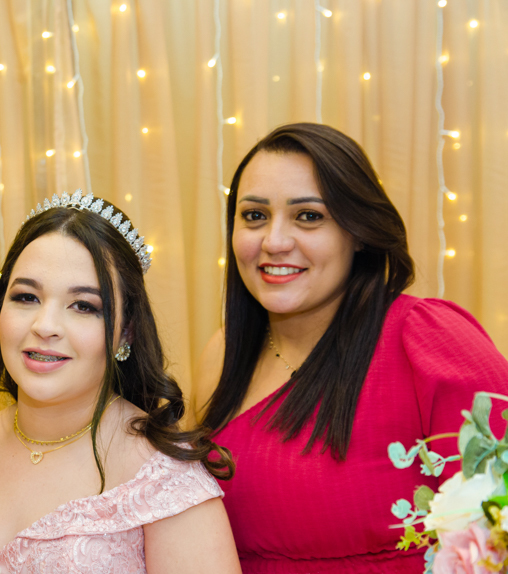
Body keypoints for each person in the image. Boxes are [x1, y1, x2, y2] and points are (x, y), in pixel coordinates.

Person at [194, 123, 508, 573]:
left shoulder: (428, 339)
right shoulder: (224, 353)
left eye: (308, 216)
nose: (274, 242)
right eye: (255, 215)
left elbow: (498, 527)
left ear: (358, 232)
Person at [0, 191, 241, 574]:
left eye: (84, 306)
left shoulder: (166, 481)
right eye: (26, 297)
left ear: (126, 331)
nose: (45, 326)